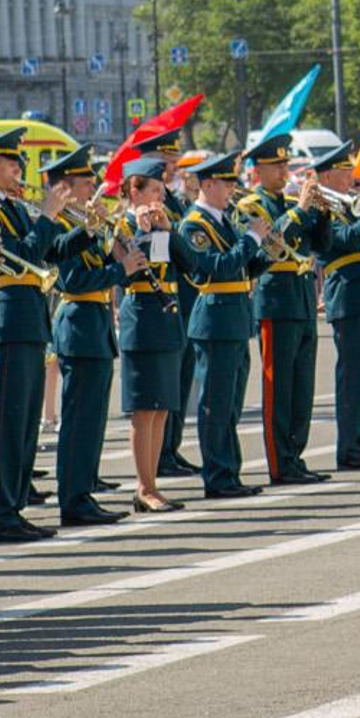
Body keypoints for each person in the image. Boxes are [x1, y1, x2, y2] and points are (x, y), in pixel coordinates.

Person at [0, 128, 65, 542]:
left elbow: (45, 251)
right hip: (6, 323)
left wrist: (74, 232)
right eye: (12, 162)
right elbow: (18, 258)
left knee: (25, 423)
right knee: (6, 423)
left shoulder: (13, 206)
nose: (18, 170)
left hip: (27, 321)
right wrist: (46, 217)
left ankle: (14, 507)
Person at [178, 148, 273, 498]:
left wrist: (266, 252)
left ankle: (230, 472)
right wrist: (252, 239)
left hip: (234, 316)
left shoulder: (223, 220)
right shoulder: (194, 226)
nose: (232, 189)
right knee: (215, 402)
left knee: (231, 401)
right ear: (208, 184)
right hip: (214, 317)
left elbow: (244, 267)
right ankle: (217, 477)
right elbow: (217, 267)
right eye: (226, 182)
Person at [234, 134, 327, 485]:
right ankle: (279, 463)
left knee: (302, 387)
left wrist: (322, 216)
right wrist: (301, 211)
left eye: (286, 164)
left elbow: (323, 246)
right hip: (275, 299)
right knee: (279, 387)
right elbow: (272, 243)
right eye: (277, 165)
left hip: (302, 297)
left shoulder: (290, 201)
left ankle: (296, 456)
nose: (284, 171)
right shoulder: (250, 206)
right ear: (259, 170)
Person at [45, 146, 128, 527]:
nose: (93, 186)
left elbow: (102, 267)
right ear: (65, 186)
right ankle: (73, 499)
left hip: (94, 324)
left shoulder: (84, 222)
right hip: (77, 323)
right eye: (85, 181)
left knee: (93, 419)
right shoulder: (62, 227)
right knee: (78, 421)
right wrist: (119, 270)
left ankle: (84, 492)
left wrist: (119, 258)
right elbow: (73, 280)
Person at [113, 155, 190, 511]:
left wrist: (166, 232)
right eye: (154, 190)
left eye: (162, 190)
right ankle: (143, 486)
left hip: (165, 319)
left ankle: (153, 483)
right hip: (140, 320)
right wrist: (144, 233)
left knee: (161, 409)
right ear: (134, 190)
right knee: (144, 410)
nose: (160, 198)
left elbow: (190, 264)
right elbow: (126, 270)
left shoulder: (163, 223)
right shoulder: (120, 226)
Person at [306, 144, 360, 471]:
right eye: (344, 170)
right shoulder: (321, 209)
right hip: (347, 296)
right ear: (326, 176)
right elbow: (337, 242)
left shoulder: (350, 204)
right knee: (353, 379)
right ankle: (350, 449)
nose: (351, 175)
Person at [158, 147, 204, 478]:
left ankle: (172, 447)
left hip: (190, 296)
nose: (174, 169)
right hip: (174, 297)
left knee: (183, 377)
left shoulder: (182, 204)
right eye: (171, 164)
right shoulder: (164, 204)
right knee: (169, 379)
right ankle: (162, 452)